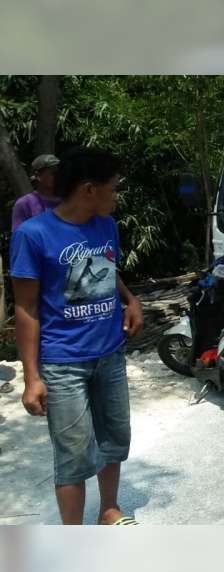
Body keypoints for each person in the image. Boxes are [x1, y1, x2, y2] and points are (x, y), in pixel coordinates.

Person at [10, 147, 144, 525]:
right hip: (63, 363)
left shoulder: (106, 226)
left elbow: (106, 269)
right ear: (89, 189)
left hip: (110, 354)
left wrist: (130, 299)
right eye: (112, 188)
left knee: (114, 439)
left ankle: (110, 510)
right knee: (73, 455)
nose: (116, 195)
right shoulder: (34, 235)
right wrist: (32, 378)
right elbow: (26, 308)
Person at [11, 154, 62, 232]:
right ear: (38, 175)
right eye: (53, 172)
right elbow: (19, 235)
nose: (58, 175)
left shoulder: (68, 200)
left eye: (59, 172)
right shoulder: (24, 203)